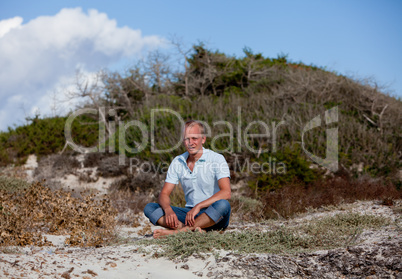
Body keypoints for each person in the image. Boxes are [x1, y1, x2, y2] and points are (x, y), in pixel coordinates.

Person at [143, 120, 231, 238]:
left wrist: (198, 206)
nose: (190, 143)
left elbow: (226, 192)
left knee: (223, 205)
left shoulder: (217, 159)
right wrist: (168, 210)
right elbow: (164, 193)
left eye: (194, 138)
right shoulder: (178, 161)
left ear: (203, 139)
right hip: (189, 215)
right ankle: (194, 230)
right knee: (150, 208)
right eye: (187, 139)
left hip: (213, 214)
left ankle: (178, 233)